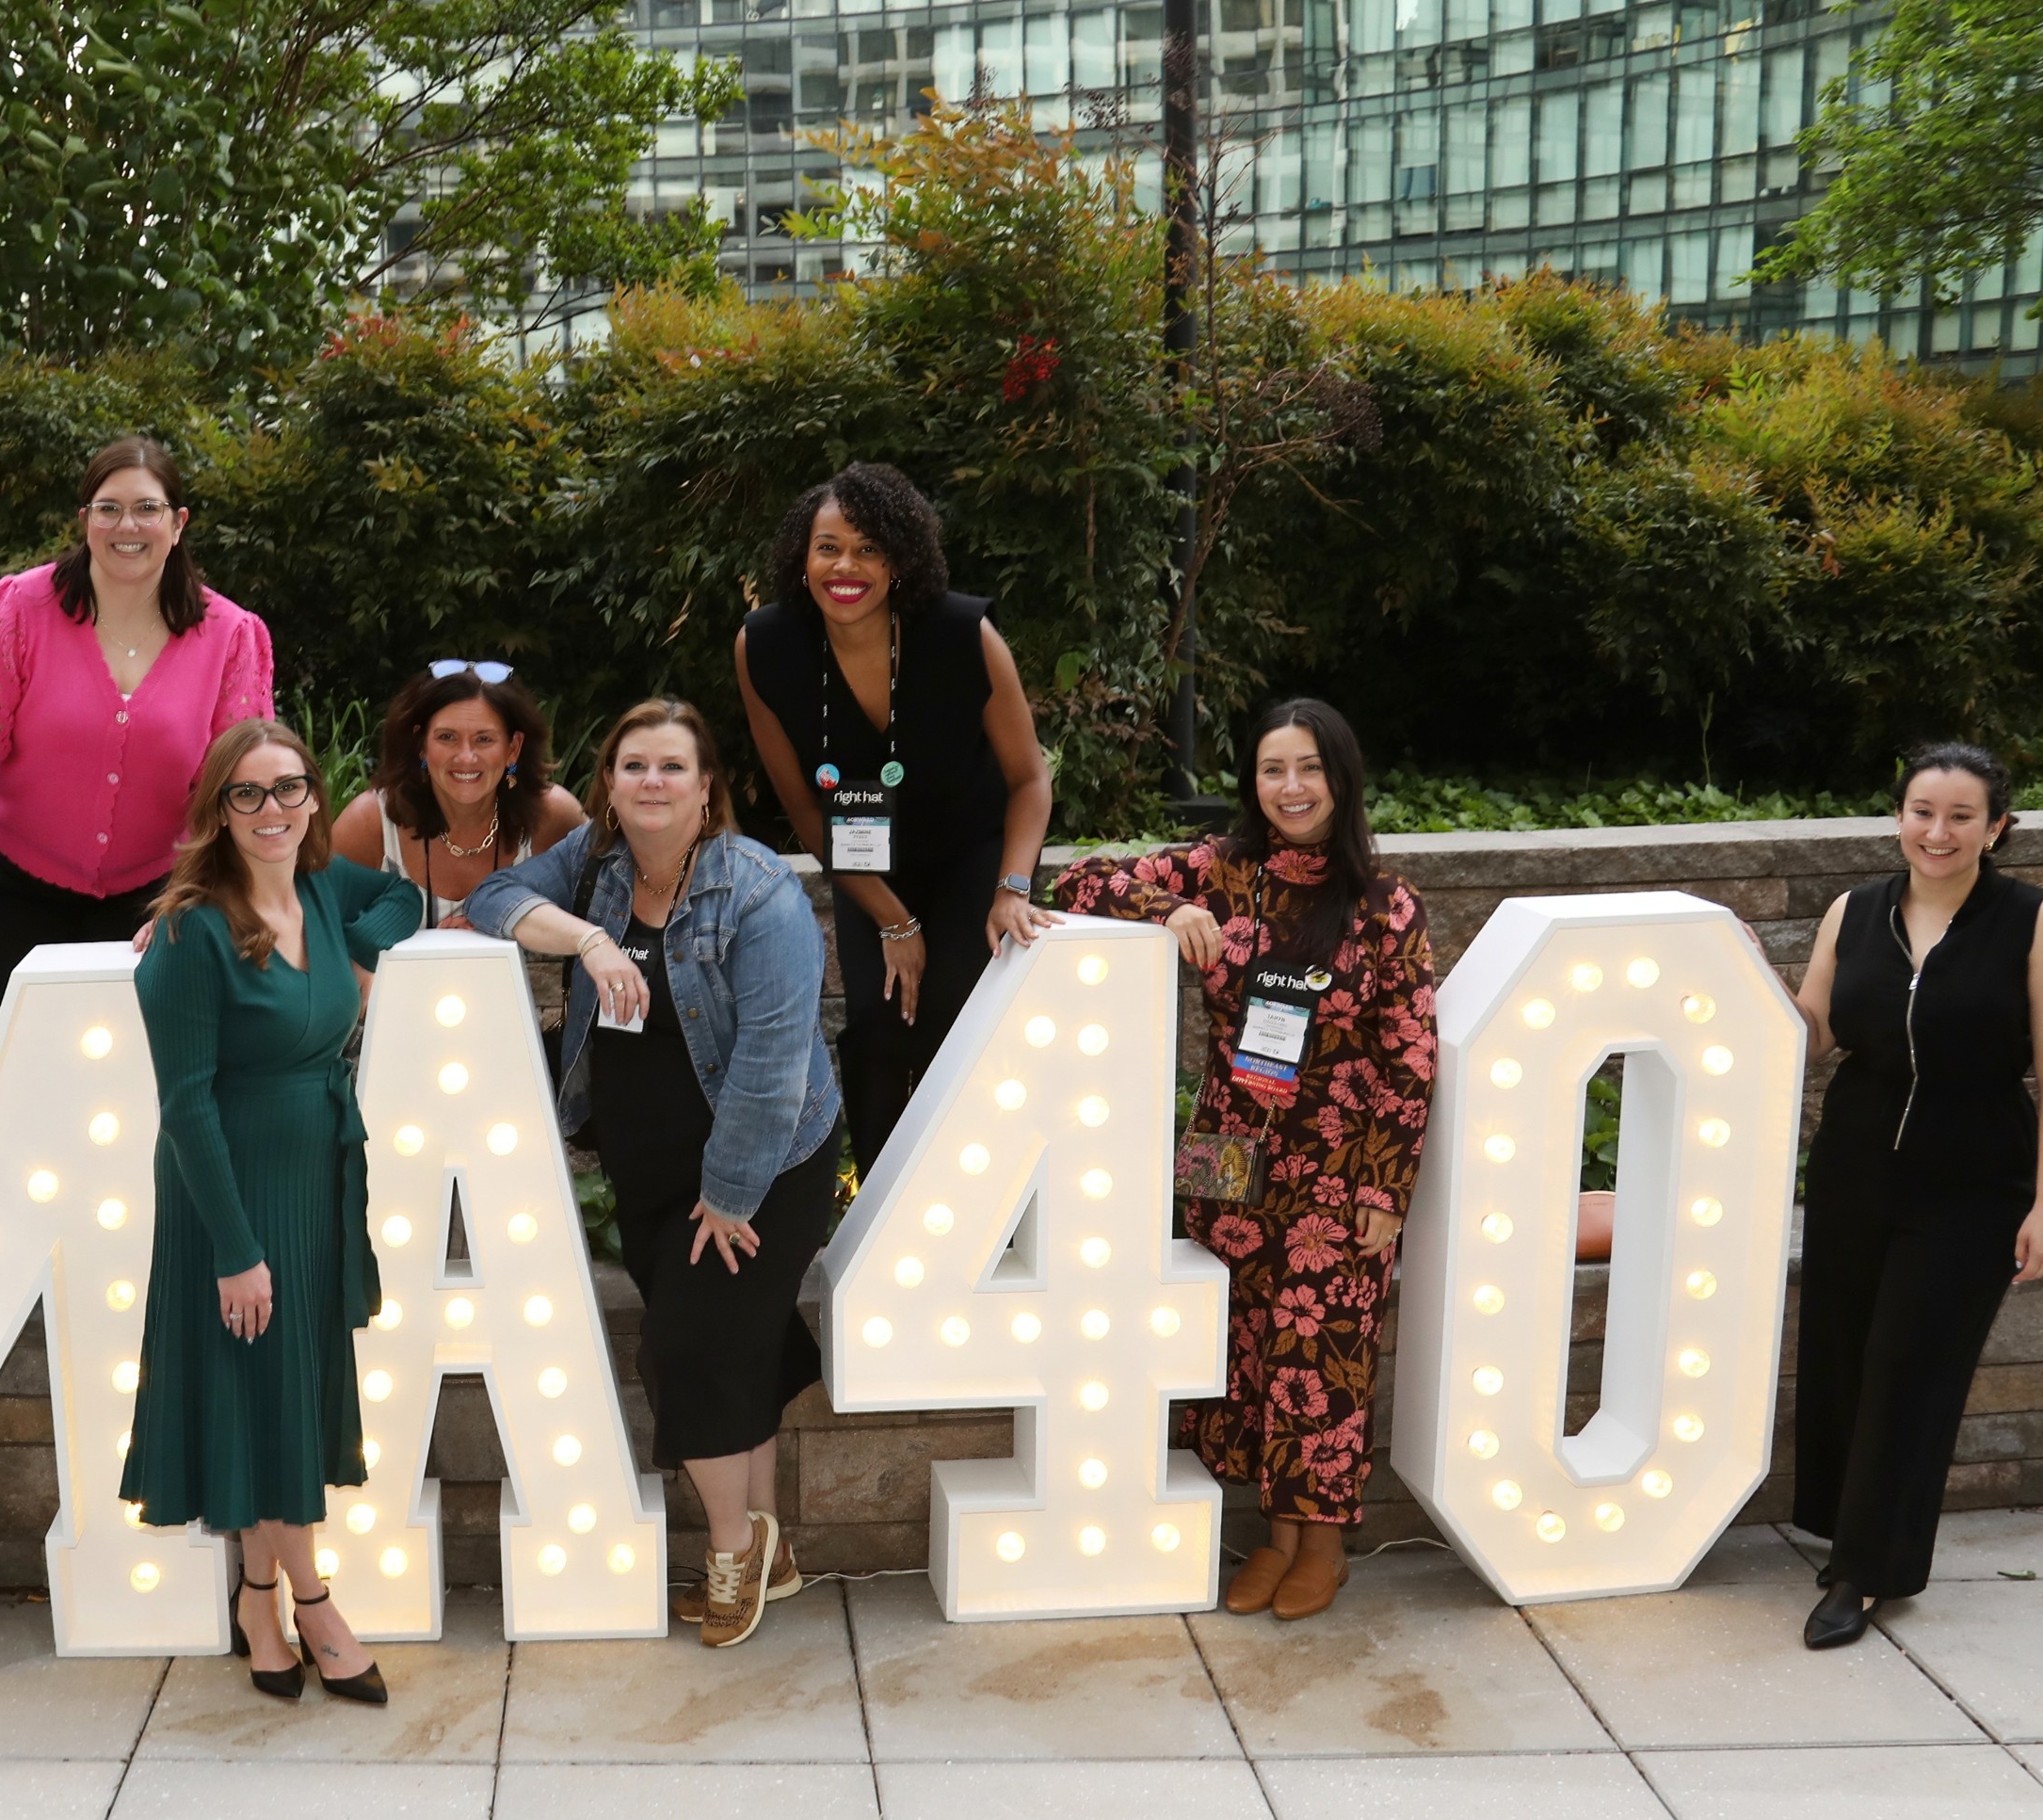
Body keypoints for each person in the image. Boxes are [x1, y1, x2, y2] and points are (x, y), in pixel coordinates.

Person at [466, 699, 842, 1651]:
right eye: (633, 764)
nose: (651, 782)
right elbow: (494, 897)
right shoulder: (594, 861)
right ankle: (772, 1547)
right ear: (609, 783)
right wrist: (589, 939)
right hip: (646, 1159)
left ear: (707, 786)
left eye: (672, 766)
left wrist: (730, 1193)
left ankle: (731, 1550)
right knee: (735, 1340)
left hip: (761, 1161)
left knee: (685, 1348)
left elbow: (771, 1066)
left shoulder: (757, 892)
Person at [1050, 698, 1436, 1622]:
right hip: (1225, 1156)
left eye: (1309, 768)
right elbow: (1077, 882)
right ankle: (1273, 1534)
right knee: (1244, 1350)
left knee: (1320, 1353)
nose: (1291, 787)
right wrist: (1171, 905)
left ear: (1340, 778)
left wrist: (1386, 1184)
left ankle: (1322, 1545)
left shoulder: (1386, 905)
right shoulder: (1222, 871)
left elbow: (1411, 1052)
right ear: (1251, 781)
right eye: (1272, 769)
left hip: (1336, 1166)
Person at [119, 720, 422, 1706]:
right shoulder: (188, 932)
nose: (271, 809)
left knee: (276, 1396)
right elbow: (184, 1106)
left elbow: (405, 897)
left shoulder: (325, 889)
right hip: (231, 1193)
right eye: (245, 793)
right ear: (216, 809)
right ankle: (315, 1604)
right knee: (266, 1391)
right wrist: (235, 1251)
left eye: (289, 787)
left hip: (315, 1178)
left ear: (314, 797)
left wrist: (359, 949)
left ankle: (258, 1600)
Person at [1791, 744, 2043, 1650]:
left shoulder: (2036, 922)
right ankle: (1846, 1529)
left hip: (1973, 1180)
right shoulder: (1855, 910)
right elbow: (1812, 1030)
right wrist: (1730, 987)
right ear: (1899, 816)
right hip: (1854, 1166)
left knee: (1910, 1369)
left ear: (1996, 827)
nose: (1938, 831)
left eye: (1962, 816)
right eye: (1923, 811)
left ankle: (1865, 1571)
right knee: (1843, 1354)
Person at [0, 436, 275, 1051]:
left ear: (178, 523)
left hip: (157, 895)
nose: (127, 525)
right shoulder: (18, 611)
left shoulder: (232, 635)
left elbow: (240, 795)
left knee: (144, 1077)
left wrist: (198, 898)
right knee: (21, 1072)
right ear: (85, 520)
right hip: (10, 889)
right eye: (108, 508)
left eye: (147, 508)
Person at [735, 462, 1054, 1175]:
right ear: (802, 557)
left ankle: (973, 1193)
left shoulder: (961, 634)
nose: (846, 566)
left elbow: (1030, 780)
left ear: (900, 560)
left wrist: (1012, 887)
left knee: (953, 1019)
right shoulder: (767, 646)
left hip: (973, 855)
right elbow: (803, 808)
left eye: (869, 549)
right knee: (878, 1026)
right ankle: (883, 1204)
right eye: (828, 547)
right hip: (864, 861)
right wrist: (893, 919)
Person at [330, 661, 587, 930]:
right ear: (420, 744)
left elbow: (603, 917)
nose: (466, 757)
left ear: (513, 748)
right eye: (447, 737)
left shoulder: (554, 818)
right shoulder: (369, 824)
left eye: (484, 739)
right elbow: (316, 929)